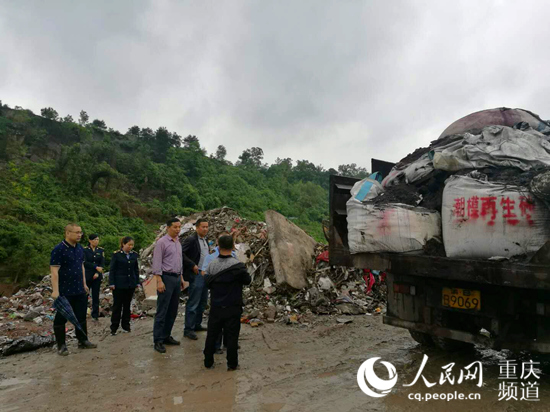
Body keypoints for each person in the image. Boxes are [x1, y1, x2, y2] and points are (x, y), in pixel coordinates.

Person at [203, 234, 251, 371]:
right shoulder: (238, 266)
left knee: (212, 334)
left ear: (218, 246)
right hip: (233, 306)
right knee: (232, 336)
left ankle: (208, 362)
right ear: (232, 247)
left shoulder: (212, 265)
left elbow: (206, 282)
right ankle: (232, 364)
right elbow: (248, 280)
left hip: (216, 306)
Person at [50, 223, 97, 356]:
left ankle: (83, 340)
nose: (79, 235)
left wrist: (84, 284)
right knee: (61, 318)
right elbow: (54, 271)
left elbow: (81, 266)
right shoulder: (59, 249)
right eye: (76, 232)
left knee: (81, 316)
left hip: (79, 289)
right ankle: (61, 346)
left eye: (80, 232)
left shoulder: (80, 248)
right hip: (64, 290)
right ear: (67, 233)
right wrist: (55, 290)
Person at [152, 218, 198, 353]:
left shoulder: (178, 242)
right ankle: (158, 340)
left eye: (179, 227)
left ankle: (166, 335)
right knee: (162, 310)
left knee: (173, 310)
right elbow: (157, 263)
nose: (178, 230)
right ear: (168, 228)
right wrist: (159, 281)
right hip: (166, 278)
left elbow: (179, 263)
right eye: (175, 227)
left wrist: (182, 278)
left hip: (177, 278)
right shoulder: (161, 243)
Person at [201, 231, 238, 354]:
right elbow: (204, 273)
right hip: (217, 296)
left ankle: (229, 343)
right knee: (216, 323)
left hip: (231, 296)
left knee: (230, 323)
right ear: (218, 241)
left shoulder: (234, 256)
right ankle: (216, 346)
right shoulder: (211, 257)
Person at [182, 218, 210, 340]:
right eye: (203, 227)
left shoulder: (205, 240)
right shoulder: (191, 239)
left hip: (205, 273)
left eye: (206, 227)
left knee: (203, 301)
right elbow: (181, 254)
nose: (205, 229)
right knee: (193, 301)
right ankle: (188, 329)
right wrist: (192, 264)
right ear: (197, 227)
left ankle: (197, 324)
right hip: (196, 273)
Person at [109, 236, 140, 335]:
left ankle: (126, 325)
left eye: (132, 245)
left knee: (127, 306)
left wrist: (137, 282)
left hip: (130, 284)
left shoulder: (134, 255)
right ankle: (114, 327)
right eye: (129, 245)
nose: (130, 247)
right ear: (123, 244)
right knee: (117, 306)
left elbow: (136, 270)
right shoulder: (117, 255)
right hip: (119, 284)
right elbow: (112, 270)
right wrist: (112, 283)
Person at [83, 234, 105, 321]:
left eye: (98, 239)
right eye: (95, 239)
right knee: (85, 295)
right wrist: (95, 267)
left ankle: (95, 314)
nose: (96, 241)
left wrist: (97, 272)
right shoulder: (85, 250)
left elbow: (102, 263)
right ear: (90, 240)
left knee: (96, 295)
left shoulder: (100, 250)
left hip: (97, 276)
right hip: (87, 275)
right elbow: (85, 262)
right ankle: (83, 312)